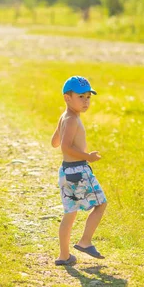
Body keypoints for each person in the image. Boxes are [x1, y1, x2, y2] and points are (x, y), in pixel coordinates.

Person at [50, 76, 108, 266]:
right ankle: (85, 241)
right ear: (68, 98)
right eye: (81, 97)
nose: (85, 102)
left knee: (70, 212)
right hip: (78, 171)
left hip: (66, 172)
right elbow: (65, 147)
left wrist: (62, 129)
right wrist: (87, 156)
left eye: (88, 97)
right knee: (100, 204)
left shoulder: (64, 117)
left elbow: (54, 142)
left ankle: (64, 255)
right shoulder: (72, 119)